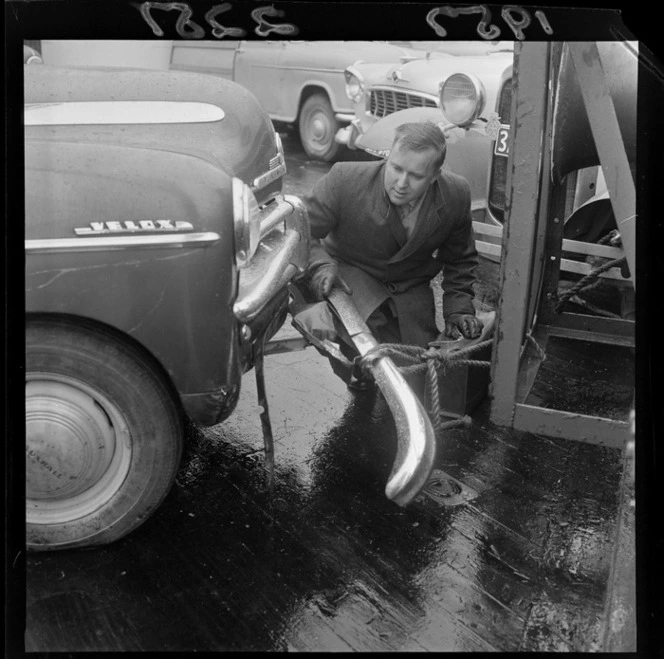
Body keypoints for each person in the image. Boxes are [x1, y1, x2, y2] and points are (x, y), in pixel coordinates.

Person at [293, 121, 483, 389]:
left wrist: (459, 309)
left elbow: (461, 259)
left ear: (435, 175)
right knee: (368, 360)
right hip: (349, 278)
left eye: (416, 176)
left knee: (418, 374)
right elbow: (299, 230)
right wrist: (321, 265)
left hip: (408, 287)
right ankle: (356, 366)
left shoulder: (456, 194)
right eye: (396, 168)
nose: (401, 183)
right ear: (387, 156)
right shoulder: (344, 179)